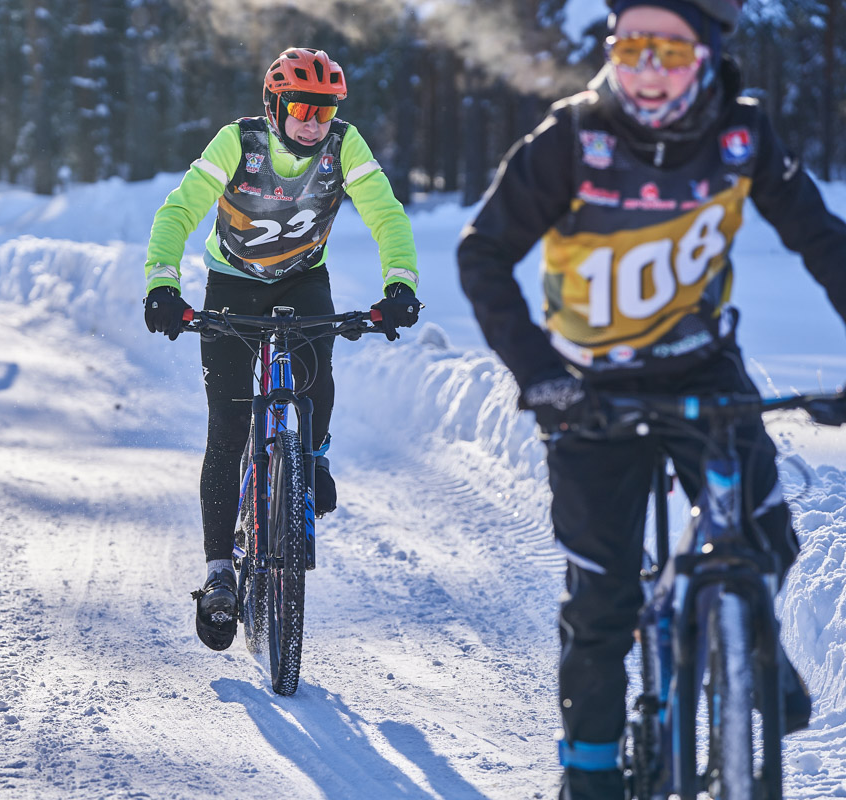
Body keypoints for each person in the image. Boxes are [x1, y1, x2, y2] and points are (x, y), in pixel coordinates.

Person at [457, 1, 846, 798]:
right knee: (602, 598)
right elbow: (483, 253)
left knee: (767, 527)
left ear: (705, 57)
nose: (647, 71)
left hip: (702, 368)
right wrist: (540, 376)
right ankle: (591, 772)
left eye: (668, 53)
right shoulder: (572, 137)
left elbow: (823, 240)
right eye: (631, 49)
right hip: (586, 388)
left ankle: (748, 648)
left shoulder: (742, 135)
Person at [142, 47, 421, 652]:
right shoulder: (236, 143)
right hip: (233, 283)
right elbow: (179, 211)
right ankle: (219, 571)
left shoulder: (345, 146)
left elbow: (387, 216)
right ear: (275, 105)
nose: (313, 122)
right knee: (228, 428)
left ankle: (311, 456)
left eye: (324, 110)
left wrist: (400, 283)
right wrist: (163, 284)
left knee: (318, 371)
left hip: (301, 279)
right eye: (301, 107)